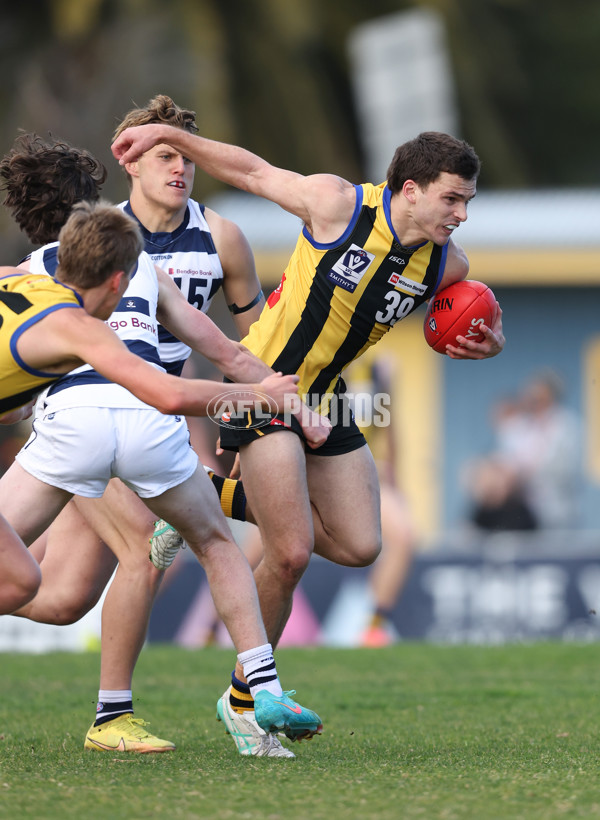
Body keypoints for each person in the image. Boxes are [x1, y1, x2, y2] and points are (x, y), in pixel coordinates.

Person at [113, 125, 505, 750]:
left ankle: (206, 498)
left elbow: (479, 312)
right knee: (289, 551)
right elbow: (251, 169)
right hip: (262, 385)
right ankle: (246, 699)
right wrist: (167, 135)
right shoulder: (339, 205)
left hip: (326, 397)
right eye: (452, 200)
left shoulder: (444, 263)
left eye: (468, 203)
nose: (461, 215)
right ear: (410, 190)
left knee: (360, 545)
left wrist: (492, 340)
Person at [0, 128, 323, 757]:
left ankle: (115, 714)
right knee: (209, 546)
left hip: (71, 425)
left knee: (65, 580)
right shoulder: (140, 260)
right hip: (153, 425)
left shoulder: (26, 275)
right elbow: (222, 352)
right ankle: (260, 684)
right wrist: (284, 399)